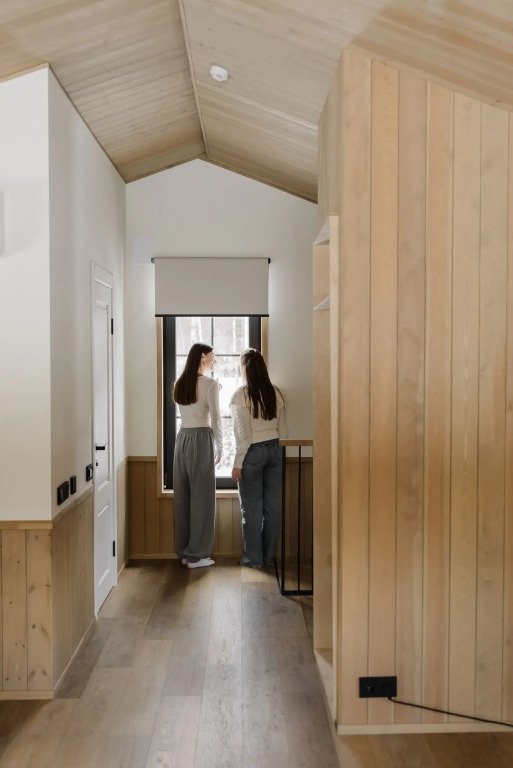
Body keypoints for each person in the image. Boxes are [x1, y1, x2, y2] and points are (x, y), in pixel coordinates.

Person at [230, 348, 288, 569]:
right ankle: (268, 557)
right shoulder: (275, 392)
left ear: (245, 368)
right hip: (275, 450)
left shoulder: (240, 395)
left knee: (251, 509)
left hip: (252, 452)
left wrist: (237, 464)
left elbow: (242, 435)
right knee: (271, 507)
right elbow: (284, 429)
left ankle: (253, 559)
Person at [173, 343, 222, 569]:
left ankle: (185, 551)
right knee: (202, 498)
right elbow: (216, 419)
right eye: (212, 356)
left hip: (182, 438)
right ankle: (198, 555)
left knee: (183, 496)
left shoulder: (180, 383)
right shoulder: (210, 384)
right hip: (201, 438)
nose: (215, 360)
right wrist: (220, 446)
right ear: (202, 357)